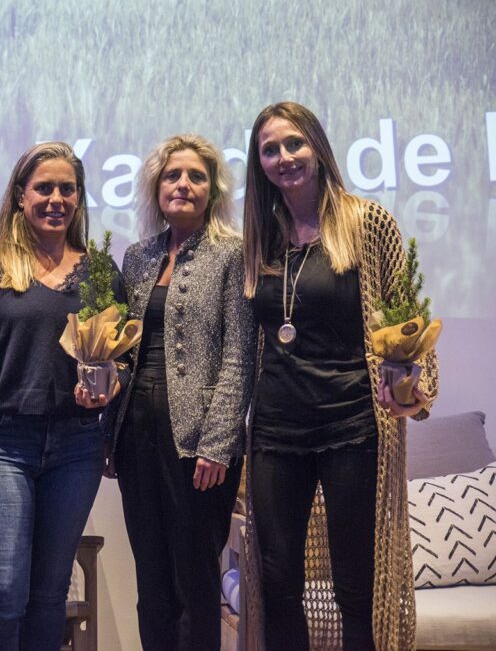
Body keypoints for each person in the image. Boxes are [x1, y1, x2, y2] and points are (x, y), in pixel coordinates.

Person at [241, 101, 438, 650]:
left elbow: (407, 318)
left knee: (357, 586)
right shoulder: (260, 238)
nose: (285, 158)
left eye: (294, 144)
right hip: (277, 432)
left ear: (318, 148)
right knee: (278, 583)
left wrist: (413, 386)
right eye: (270, 150)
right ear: (259, 165)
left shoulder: (366, 223)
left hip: (351, 425)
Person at [0, 141, 119, 650]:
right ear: (20, 196)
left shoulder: (99, 271)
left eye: (67, 189)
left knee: (49, 594)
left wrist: (112, 381)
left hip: (76, 446)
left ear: (79, 199)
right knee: (3, 589)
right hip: (2, 443)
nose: (56, 198)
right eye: (43, 187)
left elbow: (123, 354)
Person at [108, 134, 254, 650]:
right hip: (135, 433)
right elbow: (121, 347)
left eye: (196, 177)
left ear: (213, 189)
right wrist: (110, 433)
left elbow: (240, 355)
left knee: (195, 579)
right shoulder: (139, 255)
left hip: (197, 443)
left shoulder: (233, 253)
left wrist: (218, 443)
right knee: (151, 578)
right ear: (156, 188)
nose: (183, 185)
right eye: (173, 176)